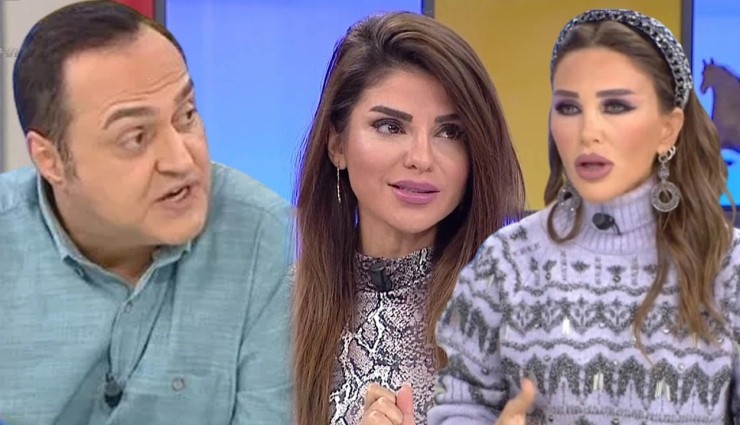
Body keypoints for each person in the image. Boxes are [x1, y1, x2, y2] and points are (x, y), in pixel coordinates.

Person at [430, 8, 740, 424]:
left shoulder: (728, 267)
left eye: (615, 106)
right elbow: (457, 406)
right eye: (569, 107)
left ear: (669, 129)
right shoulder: (507, 262)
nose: (588, 131)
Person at [0, 2, 292, 424]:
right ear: (50, 160)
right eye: (135, 137)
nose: (181, 160)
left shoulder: (267, 238)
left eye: (186, 116)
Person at [291, 11, 526, 425]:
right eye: (390, 126)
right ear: (337, 145)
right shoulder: (273, 310)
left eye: (449, 132)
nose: (421, 158)